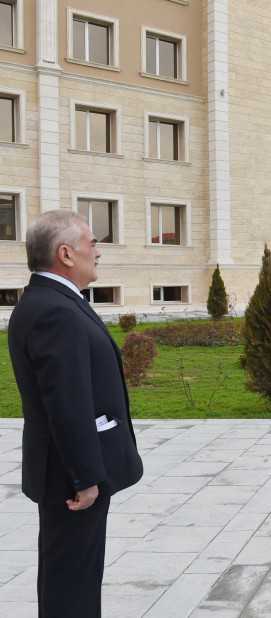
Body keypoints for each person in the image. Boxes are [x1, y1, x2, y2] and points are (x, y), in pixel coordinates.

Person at [8, 210, 144, 616]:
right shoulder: (55, 311)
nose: (98, 251)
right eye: (92, 243)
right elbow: (66, 404)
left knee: (67, 575)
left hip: (65, 470)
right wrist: (85, 477)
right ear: (65, 253)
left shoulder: (50, 300)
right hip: (71, 476)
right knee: (72, 582)